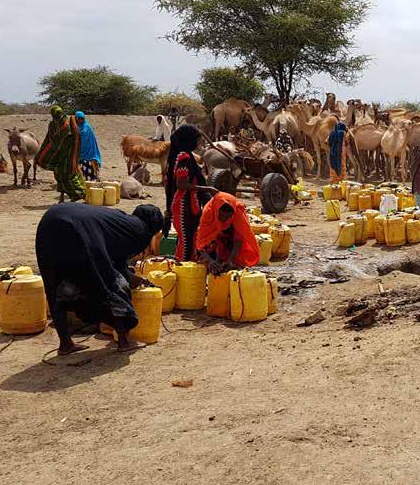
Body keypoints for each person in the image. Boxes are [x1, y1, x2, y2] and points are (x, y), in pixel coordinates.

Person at [36, 203, 164, 355]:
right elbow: (117, 267)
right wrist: (133, 280)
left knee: (55, 285)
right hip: (77, 229)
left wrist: (134, 278)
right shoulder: (142, 230)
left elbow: (114, 256)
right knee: (110, 285)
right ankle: (124, 341)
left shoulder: (122, 220)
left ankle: (65, 344)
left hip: (50, 221)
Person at [166, 125, 216, 261]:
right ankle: (183, 269)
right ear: (188, 140)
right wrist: (207, 189)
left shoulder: (186, 155)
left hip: (191, 203)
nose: (198, 143)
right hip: (183, 205)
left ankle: (190, 271)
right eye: (196, 140)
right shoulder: (184, 157)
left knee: (192, 237)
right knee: (186, 240)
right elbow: (180, 184)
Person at [195, 193, 260, 275]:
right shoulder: (208, 213)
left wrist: (230, 260)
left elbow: (238, 239)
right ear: (217, 212)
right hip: (214, 241)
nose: (224, 219)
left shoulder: (238, 213)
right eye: (221, 216)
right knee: (207, 260)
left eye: (228, 217)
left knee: (235, 263)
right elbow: (200, 242)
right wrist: (210, 261)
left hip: (229, 235)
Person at [35, 106, 86, 203]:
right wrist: (43, 153)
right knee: (58, 175)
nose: (58, 117)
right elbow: (49, 139)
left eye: (59, 115)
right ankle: (62, 197)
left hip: (68, 155)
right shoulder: (52, 125)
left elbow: (71, 140)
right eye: (56, 116)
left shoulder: (68, 125)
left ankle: (79, 194)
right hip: (57, 155)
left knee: (69, 175)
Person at [74, 111, 102, 181]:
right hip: (77, 153)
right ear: (76, 118)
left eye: (82, 118)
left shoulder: (87, 127)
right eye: (79, 118)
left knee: (89, 171)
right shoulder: (73, 127)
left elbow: (91, 141)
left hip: (89, 153)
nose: (81, 120)